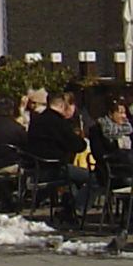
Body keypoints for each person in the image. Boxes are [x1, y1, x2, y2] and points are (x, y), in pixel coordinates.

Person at [23, 89, 90, 222]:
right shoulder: (58, 123)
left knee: (73, 181)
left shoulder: (37, 120)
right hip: (55, 169)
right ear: (60, 105)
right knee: (95, 178)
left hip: (36, 168)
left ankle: (66, 208)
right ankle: (76, 208)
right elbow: (79, 146)